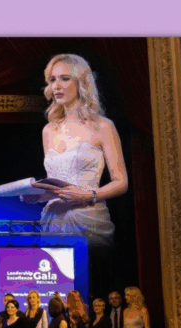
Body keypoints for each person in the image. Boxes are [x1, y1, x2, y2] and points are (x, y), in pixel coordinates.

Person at [28, 54, 127, 246]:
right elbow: (55, 182)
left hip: (88, 219)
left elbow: (121, 182)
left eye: (65, 78)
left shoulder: (103, 126)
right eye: (52, 80)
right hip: (52, 221)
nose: (56, 86)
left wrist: (89, 195)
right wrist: (38, 194)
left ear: (81, 83)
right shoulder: (48, 130)